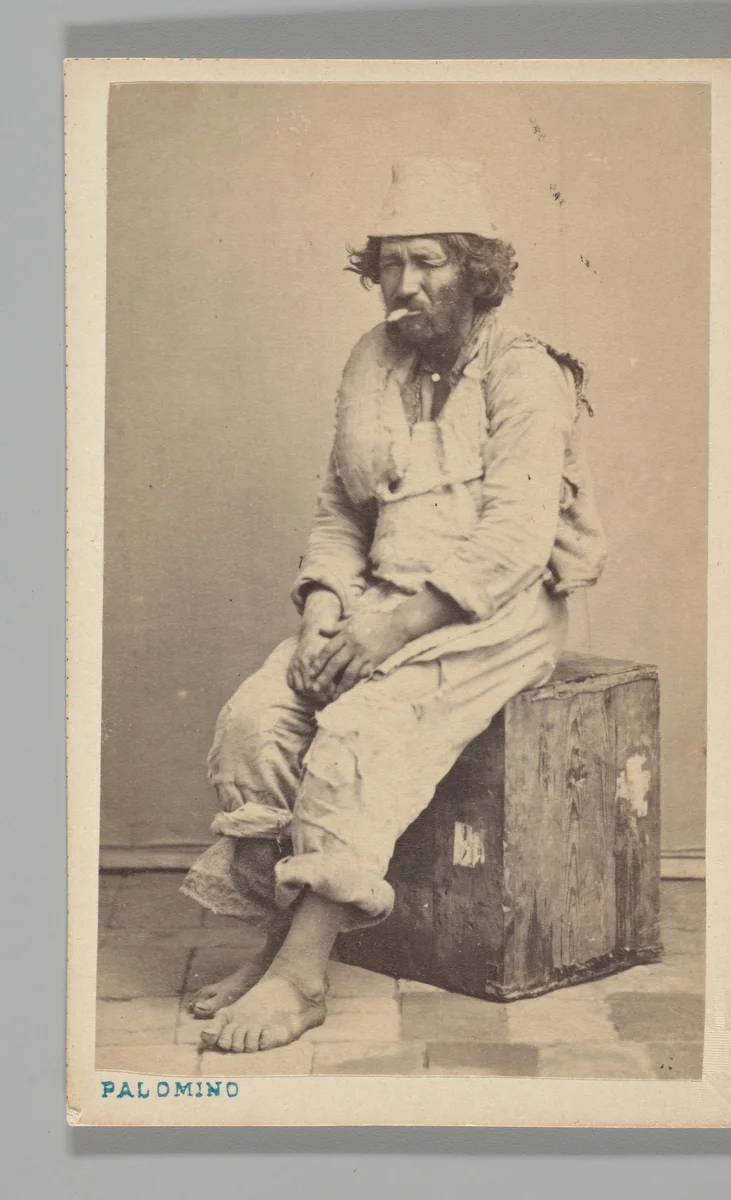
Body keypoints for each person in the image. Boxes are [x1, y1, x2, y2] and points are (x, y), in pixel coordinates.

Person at [180, 157, 607, 1053]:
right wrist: (326, 607)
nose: (403, 286)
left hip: (491, 615)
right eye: (388, 265)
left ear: (475, 271)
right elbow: (340, 507)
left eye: (428, 262)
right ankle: (275, 944)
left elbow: (515, 540)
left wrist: (393, 628)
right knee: (257, 719)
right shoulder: (373, 360)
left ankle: (299, 981)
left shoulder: (526, 372)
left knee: (358, 733)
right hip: (375, 600)